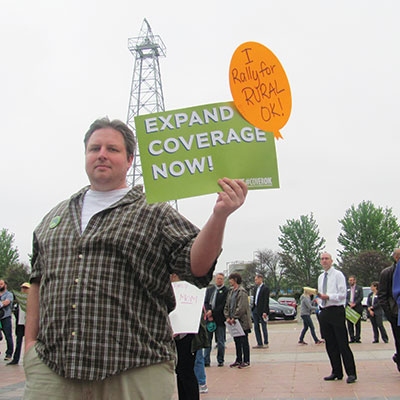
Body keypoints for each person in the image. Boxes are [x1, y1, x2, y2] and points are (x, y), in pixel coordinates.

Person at [24, 117, 248, 400]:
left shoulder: (154, 211)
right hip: (54, 371)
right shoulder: (54, 218)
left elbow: (197, 266)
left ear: (130, 159)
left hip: (135, 370)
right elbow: (37, 280)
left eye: (112, 149)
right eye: (94, 148)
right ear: (85, 156)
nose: (102, 154)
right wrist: (30, 345)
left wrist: (219, 216)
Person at [317, 252, 357, 384]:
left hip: (336, 310)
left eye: (326, 259)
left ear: (331, 260)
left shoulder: (338, 275)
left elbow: (341, 294)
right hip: (324, 311)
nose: (324, 261)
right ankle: (336, 371)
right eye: (322, 259)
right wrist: (319, 301)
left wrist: (328, 297)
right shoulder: (321, 277)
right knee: (330, 343)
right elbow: (320, 294)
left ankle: (351, 373)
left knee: (342, 343)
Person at [224, 272, 252, 369]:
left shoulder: (242, 292)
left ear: (235, 279)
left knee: (244, 341)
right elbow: (227, 305)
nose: (229, 281)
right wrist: (227, 317)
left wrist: (234, 317)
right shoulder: (231, 291)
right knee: (237, 341)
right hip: (233, 321)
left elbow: (241, 307)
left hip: (242, 321)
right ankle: (238, 359)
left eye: (231, 279)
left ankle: (246, 360)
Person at [379, 248, 400, 372]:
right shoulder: (387, 273)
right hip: (396, 313)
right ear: (396, 257)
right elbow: (382, 295)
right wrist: (390, 314)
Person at [204, 272, 228, 367]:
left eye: (221, 279)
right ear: (215, 279)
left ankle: (220, 360)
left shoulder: (226, 291)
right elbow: (205, 302)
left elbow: (223, 305)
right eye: (218, 278)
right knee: (207, 341)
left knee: (220, 341)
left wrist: (213, 312)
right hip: (209, 319)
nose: (219, 280)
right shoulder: (210, 290)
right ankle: (206, 360)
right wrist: (208, 311)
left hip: (219, 319)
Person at [6, 282, 30, 365]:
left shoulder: (32, 299)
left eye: (26, 288)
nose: (24, 290)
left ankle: (29, 359)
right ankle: (16, 359)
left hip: (28, 324)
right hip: (20, 323)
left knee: (29, 342)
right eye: (23, 288)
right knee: (18, 341)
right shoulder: (19, 301)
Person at [251, 273, 270, 349]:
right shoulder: (255, 288)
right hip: (255, 308)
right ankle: (259, 342)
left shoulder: (265, 288)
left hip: (262, 310)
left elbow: (266, 300)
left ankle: (266, 342)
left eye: (256, 279)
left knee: (263, 326)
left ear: (260, 279)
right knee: (256, 326)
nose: (255, 281)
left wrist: (265, 311)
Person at [346, 275, 363, 343]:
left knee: (357, 324)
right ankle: (352, 338)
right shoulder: (347, 288)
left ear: (355, 280)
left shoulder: (359, 288)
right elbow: (345, 297)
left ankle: (357, 338)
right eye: (349, 280)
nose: (351, 281)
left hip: (357, 307)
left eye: (352, 280)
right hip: (349, 308)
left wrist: (355, 303)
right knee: (349, 324)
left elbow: (360, 297)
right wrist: (349, 303)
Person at [0, 279, 14, 362]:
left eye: (1, 284)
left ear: (5, 285)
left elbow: (6, 302)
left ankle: (9, 353)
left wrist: (2, 303)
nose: (0, 285)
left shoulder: (9, 294)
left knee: (8, 336)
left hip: (6, 317)